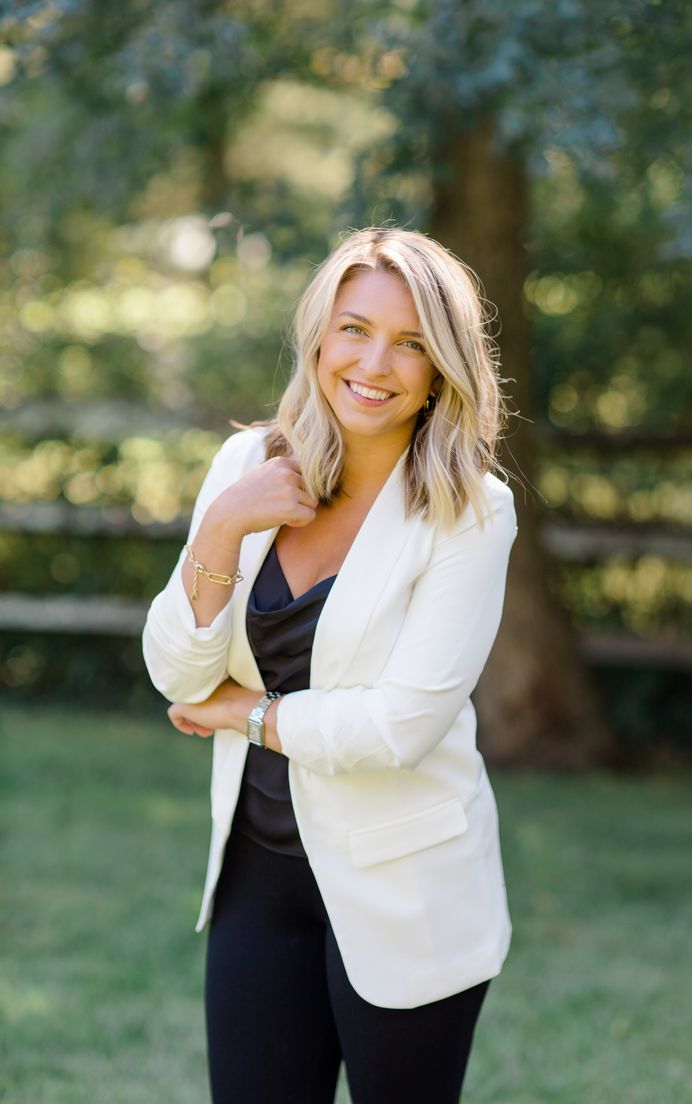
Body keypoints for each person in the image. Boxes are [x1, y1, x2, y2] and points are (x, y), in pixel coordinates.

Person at [142, 226, 518, 1104]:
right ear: (318, 334)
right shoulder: (246, 467)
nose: (375, 362)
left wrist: (248, 716)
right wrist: (224, 526)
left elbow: (398, 728)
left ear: (441, 369)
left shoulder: (470, 512)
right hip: (256, 878)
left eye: (412, 342)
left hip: (406, 888)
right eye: (355, 328)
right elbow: (174, 671)